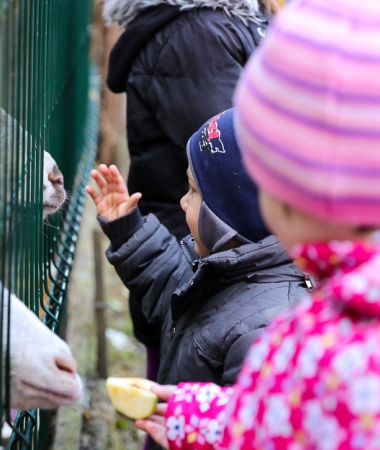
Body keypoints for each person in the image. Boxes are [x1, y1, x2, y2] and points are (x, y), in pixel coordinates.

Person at [132, 0, 380, 448]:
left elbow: (287, 416)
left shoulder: (316, 349)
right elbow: (293, 413)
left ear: (295, 197)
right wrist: (202, 416)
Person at [86, 106, 309, 406]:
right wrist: (128, 229)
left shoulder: (265, 332)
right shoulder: (221, 268)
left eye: (193, 191)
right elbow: (168, 281)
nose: (182, 201)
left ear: (228, 216)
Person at [102, 0, 277, 380]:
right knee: (180, 408)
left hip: (219, 272)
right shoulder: (196, 35)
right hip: (209, 265)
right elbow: (235, 170)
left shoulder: (223, 23)